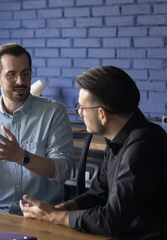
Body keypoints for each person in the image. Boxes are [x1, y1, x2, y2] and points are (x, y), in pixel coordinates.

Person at [20, 66, 167, 239]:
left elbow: (111, 220)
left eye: (82, 108)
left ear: (102, 114)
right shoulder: (117, 140)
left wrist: (54, 217)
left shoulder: (145, 144)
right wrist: (60, 209)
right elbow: (98, 194)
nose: (80, 113)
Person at [0, 43, 73, 215]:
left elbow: (63, 170)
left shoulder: (53, 113)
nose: (20, 81)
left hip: (43, 215)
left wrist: (23, 157)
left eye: (25, 73)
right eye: (11, 74)